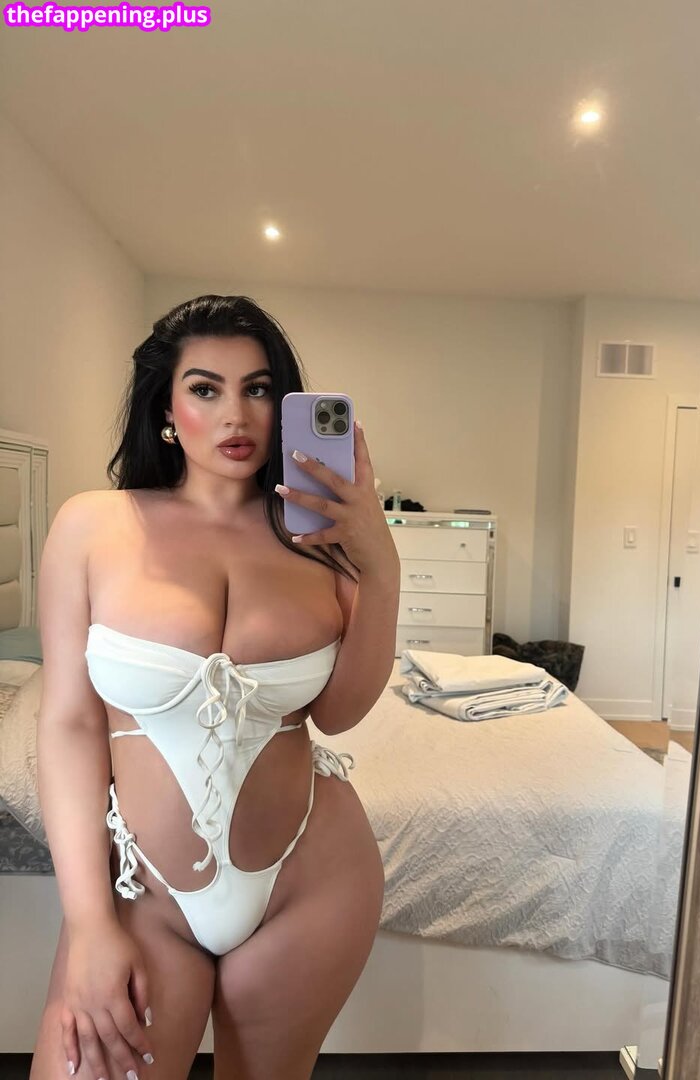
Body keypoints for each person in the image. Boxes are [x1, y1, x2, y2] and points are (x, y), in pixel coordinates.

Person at [30, 295, 399, 1080]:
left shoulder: (321, 540)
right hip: (141, 892)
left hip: (310, 882)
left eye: (259, 389)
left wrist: (381, 564)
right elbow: (68, 724)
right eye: (205, 388)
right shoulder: (92, 525)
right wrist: (88, 923)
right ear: (166, 409)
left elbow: (339, 714)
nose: (237, 414)